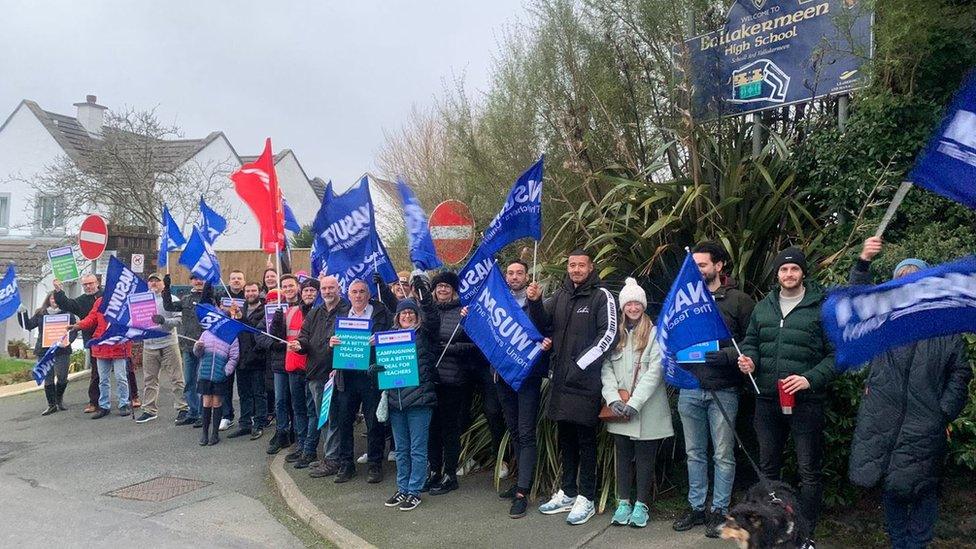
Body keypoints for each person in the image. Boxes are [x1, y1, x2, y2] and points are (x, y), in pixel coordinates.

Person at [847, 237, 972, 549]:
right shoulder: (884, 321)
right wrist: (863, 261)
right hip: (883, 421)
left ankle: (917, 543)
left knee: (924, 487)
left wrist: (943, 412)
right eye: (901, 278)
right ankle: (900, 542)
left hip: (924, 424)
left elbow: (960, 372)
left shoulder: (943, 328)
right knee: (891, 486)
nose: (907, 281)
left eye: (914, 277)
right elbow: (857, 298)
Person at [738, 247, 835, 548]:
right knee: (768, 469)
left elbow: (835, 356)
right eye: (783, 270)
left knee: (809, 470)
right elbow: (751, 342)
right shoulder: (763, 307)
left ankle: (805, 533)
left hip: (806, 402)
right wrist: (749, 359)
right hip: (767, 399)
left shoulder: (820, 308)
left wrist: (809, 379)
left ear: (803, 273)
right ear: (777, 274)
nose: (789, 274)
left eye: (794, 269)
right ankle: (771, 529)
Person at [528, 248, 618, 526]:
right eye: (572, 265)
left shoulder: (601, 296)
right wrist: (535, 301)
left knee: (585, 441)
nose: (576, 269)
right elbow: (544, 325)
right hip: (560, 383)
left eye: (581, 265)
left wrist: (581, 364)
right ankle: (568, 491)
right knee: (565, 438)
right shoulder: (561, 295)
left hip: (585, 382)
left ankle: (587, 497)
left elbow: (609, 335)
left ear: (591, 268)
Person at [673, 241, 755, 536]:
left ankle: (719, 510)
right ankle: (696, 507)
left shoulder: (739, 301)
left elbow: (752, 341)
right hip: (691, 386)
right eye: (692, 266)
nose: (696, 271)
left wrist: (729, 356)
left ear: (718, 266)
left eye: (702, 265)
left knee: (722, 453)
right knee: (694, 452)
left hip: (724, 388)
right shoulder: (685, 299)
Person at [602, 278, 673, 528]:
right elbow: (606, 368)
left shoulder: (654, 333)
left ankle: (642, 504)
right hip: (619, 407)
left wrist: (635, 402)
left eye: (637, 303)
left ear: (643, 305)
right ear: (622, 307)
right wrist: (612, 399)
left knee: (645, 458)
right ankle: (623, 502)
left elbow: (656, 371)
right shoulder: (614, 335)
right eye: (628, 304)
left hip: (648, 407)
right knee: (622, 456)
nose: (633, 308)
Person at [494, 260, 552, 519]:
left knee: (527, 433)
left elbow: (545, 327)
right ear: (505, 276)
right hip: (503, 375)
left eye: (519, 273)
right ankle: (519, 482)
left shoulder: (535, 300)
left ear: (527, 276)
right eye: (510, 273)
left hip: (527, 377)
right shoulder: (497, 301)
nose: (514, 276)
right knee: (515, 430)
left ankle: (522, 493)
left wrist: (537, 301)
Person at [379, 275, 439, 512]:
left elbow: (432, 318)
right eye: (403, 313)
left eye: (411, 313)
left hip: (420, 400)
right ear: (398, 316)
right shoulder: (390, 338)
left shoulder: (424, 335)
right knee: (401, 450)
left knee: (417, 448)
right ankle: (402, 487)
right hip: (396, 401)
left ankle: (414, 490)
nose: (407, 316)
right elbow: (386, 367)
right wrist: (377, 369)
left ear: (416, 316)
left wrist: (424, 298)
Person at [426, 270, 481, 496]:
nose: (443, 290)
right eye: (439, 286)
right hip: (430, 380)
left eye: (447, 286)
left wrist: (450, 348)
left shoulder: (463, 313)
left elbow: (475, 346)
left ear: (453, 290)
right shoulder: (427, 312)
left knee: (450, 429)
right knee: (432, 429)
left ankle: (450, 474)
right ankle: (434, 471)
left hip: (454, 381)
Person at [331, 279, 391, 484]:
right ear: (349, 295)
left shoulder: (380, 313)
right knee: (344, 420)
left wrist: (380, 339)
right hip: (347, 376)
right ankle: (346, 464)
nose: (358, 296)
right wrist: (332, 342)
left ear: (368, 294)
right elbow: (333, 341)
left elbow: (395, 335)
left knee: (374, 421)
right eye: (354, 292)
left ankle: (375, 463)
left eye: (362, 292)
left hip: (371, 376)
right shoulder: (342, 316)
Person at [296, 275, 350, 477]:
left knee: (332, 418)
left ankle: (333, 459)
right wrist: (299, 345)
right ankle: (329, 456)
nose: (327, 292)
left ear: (339, 288)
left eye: (331, 288)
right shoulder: (315, 312)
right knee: (324, 417)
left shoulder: (347, 310)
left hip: (337, 373)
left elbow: (354, 341)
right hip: (316, 374)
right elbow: (304, 336)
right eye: (324, 288)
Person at [270, 275, 314, 463]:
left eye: (311, 291)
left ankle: (309, 448)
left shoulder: (317, 311)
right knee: (298, 409)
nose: (308, 294)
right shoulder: (288, 311)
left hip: (312, 366)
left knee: (311, 410)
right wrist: (277, 323)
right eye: (306, 291)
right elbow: (278, 338)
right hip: (293, 365)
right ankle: (302, 444)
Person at [136, 273, 188, 424]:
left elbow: (179, 321)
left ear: (163, 284)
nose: (153, 283)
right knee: (149, 379)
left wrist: (164, 321)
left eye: (157, 281)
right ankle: (149, 410)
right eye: (151, 281)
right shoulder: (141, 301)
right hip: (149, 345)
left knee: (176, 378)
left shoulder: (172, 299)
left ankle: (183, 408)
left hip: (168, 343)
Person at [162, 272, 213, 427]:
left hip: (204, 346)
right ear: (190, 281)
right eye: (195, 278)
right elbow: (168, 306)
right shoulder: (185, 299)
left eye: (201, 278)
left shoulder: (209, 298)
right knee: (189, 381)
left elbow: (209, 297)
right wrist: (166, 288)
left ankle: (204, 414)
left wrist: (209, 281)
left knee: (202, 381)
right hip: (187, 345)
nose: (198, 281)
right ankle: (193, 412)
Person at [70, 295, 133, 419]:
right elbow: (92, 317)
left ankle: (124, 403)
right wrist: (79, 325)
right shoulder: (100, 301)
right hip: (102, 345)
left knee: (121, 377)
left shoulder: (125, 301)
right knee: (103, 379)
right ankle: (104, 406)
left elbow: (132, 319)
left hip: (118, 344)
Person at [52, 274, 108, 413]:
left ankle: (132, 398)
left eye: (91, 283)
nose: (88, 287)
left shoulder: (108, 295)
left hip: (111, 337)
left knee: (124, 370)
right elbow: (67, 304)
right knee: (96, 373)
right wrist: (59, 291)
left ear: (97, 283)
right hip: (93, 340)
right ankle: (94, 402)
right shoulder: (81, 301)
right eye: (85, 285)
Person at [17, 292, 78, 415]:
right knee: (48, 378)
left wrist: (67, 341)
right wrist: (22, 313)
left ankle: (58, 400)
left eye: (56, 298)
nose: (54, 300)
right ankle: (51, 405)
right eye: (51, 298)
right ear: (48, 300)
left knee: (62, 377)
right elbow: (28, 325)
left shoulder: (68, 314)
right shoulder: (41, 313)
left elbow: (74, 330)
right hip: (44, 350)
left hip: (62, 350)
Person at [227, 282, 268, 440]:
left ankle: (259, 423)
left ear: (259, 292)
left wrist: (241, 317)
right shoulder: (240, 308)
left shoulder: (264, 310)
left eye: (254, 290)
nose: (250, 293)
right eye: (248, 291)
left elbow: (256, 330)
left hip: (257, 357)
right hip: (241, 357)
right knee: (244, 393)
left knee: (259, 393)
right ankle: (244, 424)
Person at [260, 288, 293, 455]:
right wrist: (274, 344)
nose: (274, 303)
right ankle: (281, 432)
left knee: (294, 400)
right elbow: (260, 336)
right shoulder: (265, 318)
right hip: (278, 365)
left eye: (277, 300)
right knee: (280, 400)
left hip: (295, 361)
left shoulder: (292, 312)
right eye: (271, 300)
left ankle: (293, 431)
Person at [193, 328, 239, 446]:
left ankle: (215, 434)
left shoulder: (231, 336)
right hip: (205, 373)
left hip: (219, 375)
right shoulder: (206, 334)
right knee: (206, 402)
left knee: (216, 402)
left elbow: (234, 357)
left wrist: (226, 371)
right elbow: (198, 354)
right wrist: (198, 347)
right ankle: (204, 433)